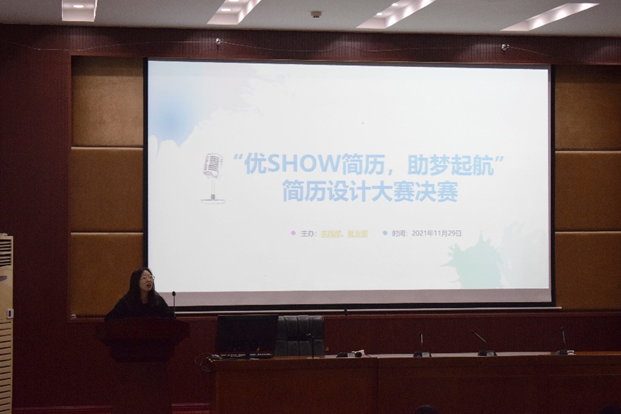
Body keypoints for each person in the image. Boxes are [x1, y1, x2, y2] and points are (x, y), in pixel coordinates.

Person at [105, 267, 174, 321]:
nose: (149, 280)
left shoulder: (158, 301)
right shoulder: (127, 301)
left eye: (150, 277)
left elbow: (171, 317)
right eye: (144, 278)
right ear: (136, 282)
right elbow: (110, 318)